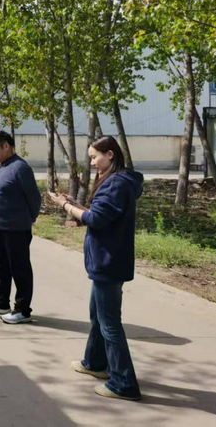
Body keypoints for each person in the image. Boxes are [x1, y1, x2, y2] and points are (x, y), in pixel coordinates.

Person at [48, 136, 143, 402]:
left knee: (109, 323)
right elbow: (100, 214)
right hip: (107, 260)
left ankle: (124, 383)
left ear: (110, 154)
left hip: (108, 261)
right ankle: (95, 362)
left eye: (94, 157)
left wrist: (66, 206)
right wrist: (76, 205)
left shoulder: (116, 183)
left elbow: (97, 219)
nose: (92, 162)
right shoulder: (117, 180)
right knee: (97, 316)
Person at [0, 131, 41, 325]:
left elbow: (34, 198)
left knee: (20, 269)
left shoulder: (20, 167)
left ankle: (22, 310)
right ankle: (1, 302)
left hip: (16, 229)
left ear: (6, 146)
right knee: (1, 266)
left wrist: (30, 218)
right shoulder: (3, 165)